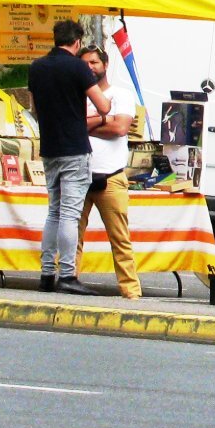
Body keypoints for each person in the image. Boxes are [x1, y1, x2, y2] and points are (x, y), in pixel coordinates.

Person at [28, 18, 110, 294]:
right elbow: (102, 105)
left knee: (53, 211)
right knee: (69, 215)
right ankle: (67, 275)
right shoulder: (78, 67)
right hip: (74, 148)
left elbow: (34, 107)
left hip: (49, 148)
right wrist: (105, 105)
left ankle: (46, 274)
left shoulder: (37, 68)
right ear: (76, 42)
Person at [79, 44, 140, 300]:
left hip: (112, 177)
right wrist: (106, 119)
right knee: (71, 236)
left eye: (94, 62)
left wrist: (88, 124)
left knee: (120, 239)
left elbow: (120, 129)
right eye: (84, 64)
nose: (89, 68)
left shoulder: (121, 94)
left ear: (105, 64)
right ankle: (67, 280)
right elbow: (74, 125)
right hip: (79, 175)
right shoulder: (77, 95)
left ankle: (131, 291)